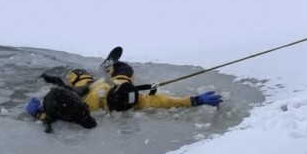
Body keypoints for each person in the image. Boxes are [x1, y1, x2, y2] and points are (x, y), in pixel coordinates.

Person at [31, 60, 222, 114]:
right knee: (125, 69)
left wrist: (37, 113)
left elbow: (58, 112)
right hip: (106, 84)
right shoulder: (136, 98)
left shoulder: (93, 104)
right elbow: (164, 101)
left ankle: (84, 75)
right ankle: (110, 67)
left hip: (89, 87)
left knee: (79, 75)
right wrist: (193, 100)